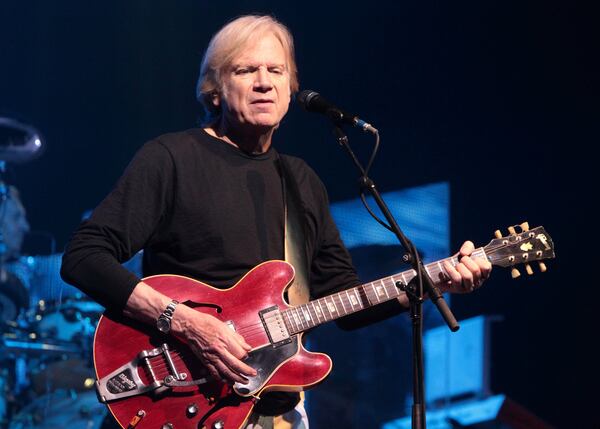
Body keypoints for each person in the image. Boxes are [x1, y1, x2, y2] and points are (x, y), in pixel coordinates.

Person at [60, 14, 492, 428]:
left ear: (291, 88)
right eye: (247, 69)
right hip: (181, 395)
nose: (264, 82)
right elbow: (83, 257)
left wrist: (432, 281)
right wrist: (184, 321)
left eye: (276, 70)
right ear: (214, 88)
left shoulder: (301, 181)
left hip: (276, 412)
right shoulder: (171, 158)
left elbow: (343, 300)